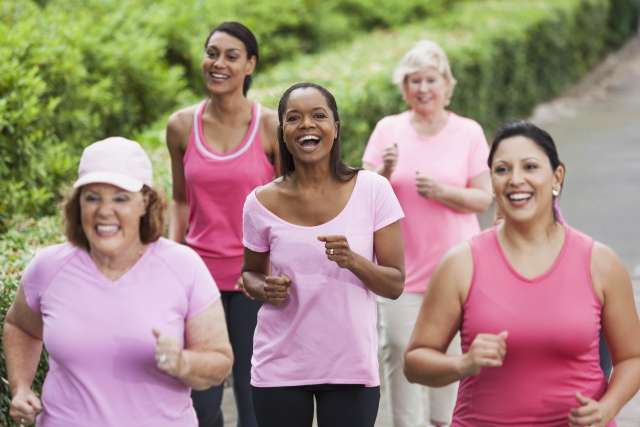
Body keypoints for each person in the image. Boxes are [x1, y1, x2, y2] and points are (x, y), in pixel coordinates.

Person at [404, 121, 640, 426]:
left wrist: (607, 408)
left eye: (530, 167)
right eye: (502, 170)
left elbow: (632, 358)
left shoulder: (601, 263)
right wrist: (463, 363)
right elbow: (414, 362)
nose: (516, 179)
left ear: (557, 176)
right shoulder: (461, 263)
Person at [3, 137, 233, 427]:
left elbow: (219, 362)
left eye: (120, 198)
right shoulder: (48, 268)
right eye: (92, 197)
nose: (104, 210)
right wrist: (21, 387)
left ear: (145, 201)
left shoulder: (183, 267)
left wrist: (182, 363)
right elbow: (20, 326)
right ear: (79, 204)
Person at [241, 82, 406, 427]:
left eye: (319, 116)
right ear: (283, 133)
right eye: (294, 118)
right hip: (280, 366)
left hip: (350, 367)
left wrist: (354, 261)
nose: (307, 125)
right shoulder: (259, 203)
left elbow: (394, 284)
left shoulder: (373, 190)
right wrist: (264, 287)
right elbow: (249, 274)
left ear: (335, 128)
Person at [362, 40, 492, 427]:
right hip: (400, 270)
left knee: (451, 358)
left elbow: (484, 197)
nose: (423, 88)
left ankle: (446, 422)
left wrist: (444, 192)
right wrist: (384, 171)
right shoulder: (388, 129)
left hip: (458, 272)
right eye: (414, 80)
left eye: (431, 80)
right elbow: (364, 193)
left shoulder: (468, 132)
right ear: (404, 88)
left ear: (447, 85)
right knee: (400, 349)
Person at [166, 21, 279, 427]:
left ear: (250, 65)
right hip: (198, 279)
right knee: (202, 404)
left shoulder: (270, 127)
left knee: (253, 401)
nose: (219, 63)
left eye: (232, 56)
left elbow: (287, 206)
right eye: (212, 53)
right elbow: (180, 201)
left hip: (254, 279)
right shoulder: (181, 126)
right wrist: (169, 259)